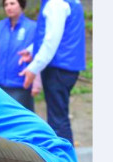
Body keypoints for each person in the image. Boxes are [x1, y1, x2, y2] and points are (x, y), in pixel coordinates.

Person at [18, 0, 86, 144]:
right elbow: (58, 35)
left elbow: (51, 41)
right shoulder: (70, 2)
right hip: (67, 67)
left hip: (58, 68)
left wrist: (33, 68)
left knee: (58, 122)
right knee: (60, 117)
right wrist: (32, 51)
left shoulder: (55, 4)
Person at [0, 0, 41, 111]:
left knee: (20, 121)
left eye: (12, 3)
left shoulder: (33, 28)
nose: (8, 7)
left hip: (20, 84)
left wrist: (36, 83)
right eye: (6, 5)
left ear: (21, 5)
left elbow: (38, 56)